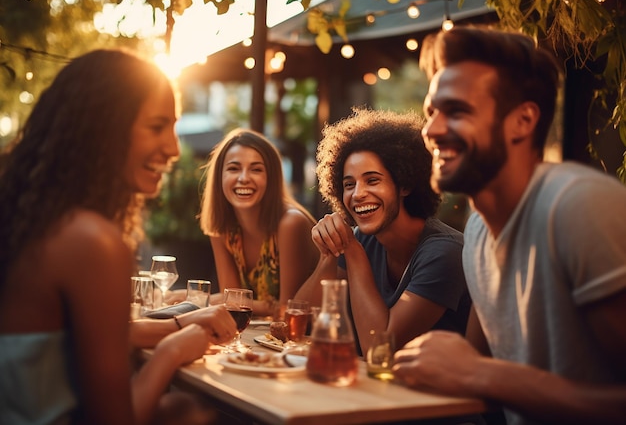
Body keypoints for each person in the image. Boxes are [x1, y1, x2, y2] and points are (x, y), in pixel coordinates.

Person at [392, 26, 626, 425]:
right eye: (432, 112)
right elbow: (475, 376)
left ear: (523, 120)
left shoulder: (577, 205)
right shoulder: (479, 231)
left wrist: (477, 372)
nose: (430, 130)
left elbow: (479, 372)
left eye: (458, 111)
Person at [0, 49, 236, 425]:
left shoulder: (32, 219)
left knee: (182, 411)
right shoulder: (91, 240)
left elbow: (84, 339)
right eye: (157, 127)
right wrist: (171, 352)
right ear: (102, 127)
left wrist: (179, 325)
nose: (174, 148)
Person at [294, 107, 471, 356]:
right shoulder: (363, 240)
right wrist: (329, 253)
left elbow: (379, 350)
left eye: (372, 180)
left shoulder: (445, 253)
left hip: (437, 392)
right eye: (348, 184)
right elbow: (303, 320)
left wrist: (352, 251)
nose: (357, 194)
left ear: (405, 184)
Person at [199, 128, 320, 316]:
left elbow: (286, 311)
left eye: (256, 169)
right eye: (233, 168)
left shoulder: (290, 223)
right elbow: (232, 304)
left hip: (310, 335)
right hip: (263, 337)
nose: (244, 178)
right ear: (219, 177)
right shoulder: (222, 227)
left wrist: (204, 299)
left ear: (271, 178)